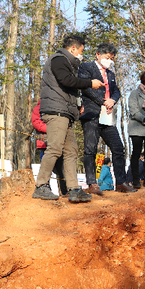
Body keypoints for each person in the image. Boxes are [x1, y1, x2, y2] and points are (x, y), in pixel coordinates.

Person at [33, 35, 104, 203]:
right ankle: (41, 186)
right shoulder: (58, 59)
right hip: (56, 112)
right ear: (73, 49)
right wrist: (89, 83)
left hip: (66, 113)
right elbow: (66, 80)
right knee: (55, 149)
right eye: (81, 51)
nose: (81, 54)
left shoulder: (68, 64)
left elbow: (67, 87)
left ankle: (73, 189)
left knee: (71, 152)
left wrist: (76, 106)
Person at [78, 42, 136, 195]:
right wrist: (103, 100)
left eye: (112, 58)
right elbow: (86, 87)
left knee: (118, 147)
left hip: (107, 116)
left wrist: (113, 100)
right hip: (91, 113)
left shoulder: (111, 73)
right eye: (107, 57)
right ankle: (92, 183)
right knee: (90, 148)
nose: (110, 61)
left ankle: (121, 182)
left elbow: (116, 91)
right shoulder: (86, 67)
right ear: (98, 55)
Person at [31, 99, 67, 195]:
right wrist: (51, 129)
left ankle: (65, 191)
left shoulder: (57, 106)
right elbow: (36, 122)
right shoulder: (38, 107)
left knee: (62, 169)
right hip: (44, 143)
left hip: (58, 142)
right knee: (46, 167)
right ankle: (45, 189)